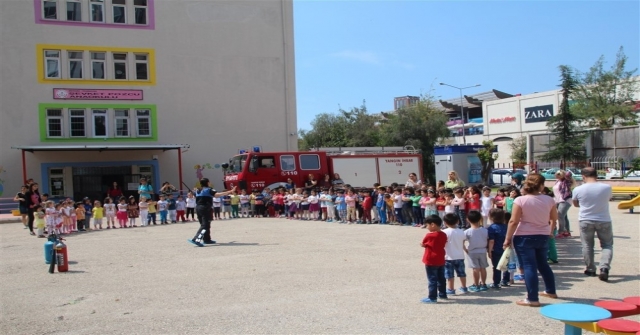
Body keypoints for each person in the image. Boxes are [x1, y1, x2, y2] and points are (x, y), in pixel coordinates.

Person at [504, 173, 558, 307]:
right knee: (543, 264)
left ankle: (532, 298)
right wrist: (550, 232)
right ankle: (551, 290)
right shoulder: (549, 200)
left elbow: (513, 221)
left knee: (529, 266)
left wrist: (507, 238)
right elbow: (554, 219)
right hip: (543, 234)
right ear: (540, 185)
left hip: (524, 235)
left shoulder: (520, 200)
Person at [572, 167, 613, 281]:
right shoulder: (606, 187)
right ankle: (604, 268)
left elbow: (575, 204)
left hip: (585, 219)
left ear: (583, 176)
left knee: (587, 245)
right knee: (607, 245)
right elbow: (608, 199)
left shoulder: (578, 189)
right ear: (596, 175)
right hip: (604, 219)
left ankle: (590, 269)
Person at [188, 178, 235, 247]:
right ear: (207, 183)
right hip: (205, 208)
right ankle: (196, 239)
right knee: (205, 225)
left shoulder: (198, 190)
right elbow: (217, 195)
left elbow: (195, 196)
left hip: (198, 208)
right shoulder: (209, 189)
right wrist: (229, 191)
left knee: (204, 224)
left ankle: (207, 239)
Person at [420, 215, 448, 303]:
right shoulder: (444, 234)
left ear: (433, 225)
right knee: (441, 278)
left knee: (432, 279)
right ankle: (443, 294)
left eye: (427, 225)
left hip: (431, 259)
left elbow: (423, 243)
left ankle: (432, 297)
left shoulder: (430, 235)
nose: (427, 227)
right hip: (440, 258)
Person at [442, 213, 468, 295]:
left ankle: (451, 289)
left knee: (449, 275)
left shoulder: (444, 232)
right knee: (462, 273)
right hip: (460, 255)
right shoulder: (461, 232)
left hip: (448, 256)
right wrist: (466, 250)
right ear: (457, 221)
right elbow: (463, 242)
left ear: (445, 222)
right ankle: (464, 287)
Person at [464, 210, 489, 292]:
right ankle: (484, 283)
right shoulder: (485, 230)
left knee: (475, 269)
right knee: (483, 268)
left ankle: (476, 284)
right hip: (483, 250)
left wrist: (465, 249)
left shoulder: (467, 232)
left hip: (472, 251)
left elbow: (462, 242)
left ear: (468, 219)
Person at [487, 208, 510, 288]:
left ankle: (496, 282)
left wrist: (489, 251)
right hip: (506, 249)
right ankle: (505, 280)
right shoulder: (506, 226)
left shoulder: (491, 228)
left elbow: (491, 241)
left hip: (495, 249)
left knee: (496, 266)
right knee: (506, 265)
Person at [553, 170, 574, 238]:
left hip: (565, 200)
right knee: (564, 216)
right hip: (558, 200)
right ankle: (567, 231)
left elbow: (569, 175)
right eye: (557, 174)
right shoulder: (557, 181)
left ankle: (561, 232)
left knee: (560, 216)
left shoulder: (566, 181)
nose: (557, 175)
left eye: (559, 174)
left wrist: (564, 174)